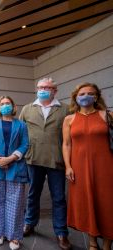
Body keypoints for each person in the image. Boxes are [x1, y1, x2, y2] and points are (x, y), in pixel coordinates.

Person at [19, 77, 71, 250]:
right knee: (32, 194)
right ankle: (29, 223)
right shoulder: (27, 109)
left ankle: (61, 233)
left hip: (57, 160)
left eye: (47, 87)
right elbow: (20, 134)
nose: (43, 90)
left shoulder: (65, 109)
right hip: (33, 159)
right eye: (40, 87)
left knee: (59, 198)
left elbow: (70, 138)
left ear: (55, 91)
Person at [62, 83, 113, 250]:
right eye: (82, 93)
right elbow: (66, 144)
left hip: (106, 167)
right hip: (79, 168)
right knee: (87, 202)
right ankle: (92, 243)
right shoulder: (69, 119)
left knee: (107, 203)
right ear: (76, 97)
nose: (86, 96)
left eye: (90, 93)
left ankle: (107, 244)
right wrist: (68, 166)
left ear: (96, 96)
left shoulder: (107, 115)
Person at [0, 96, 29, 250]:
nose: (5, 106)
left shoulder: (21, 125)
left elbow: (25, 144)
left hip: (15, 167)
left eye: (7, 103)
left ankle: (14, 236)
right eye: (2, 104)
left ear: (13, 105)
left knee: (15, 203)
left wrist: (10, 159)